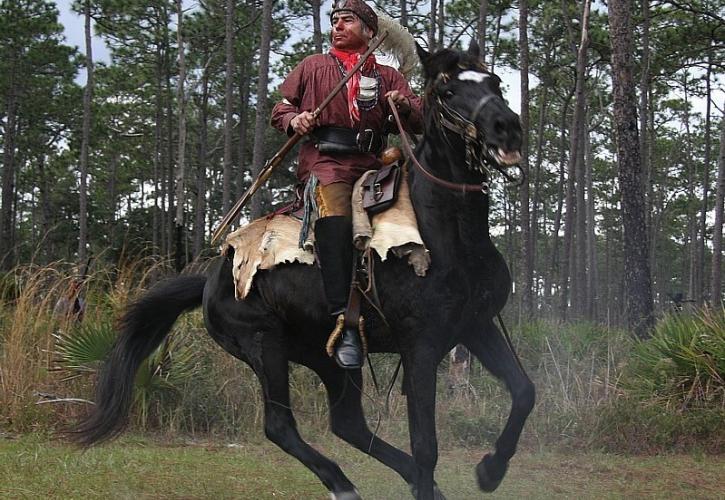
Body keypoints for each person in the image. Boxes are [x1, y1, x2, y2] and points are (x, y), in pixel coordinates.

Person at [271, 0, 423, 369]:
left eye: (348, 20)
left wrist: (402, 106)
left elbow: (418, 121)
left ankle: (424, 307)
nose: (338, 26)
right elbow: (279, 109)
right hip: (327, 163)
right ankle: (345, 320)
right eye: (335, 21)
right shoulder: (313, 66)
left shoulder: (388, 76)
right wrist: (296, 119)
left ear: (370, 31)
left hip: (375, 164)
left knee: (420, 211)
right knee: (336, 214)